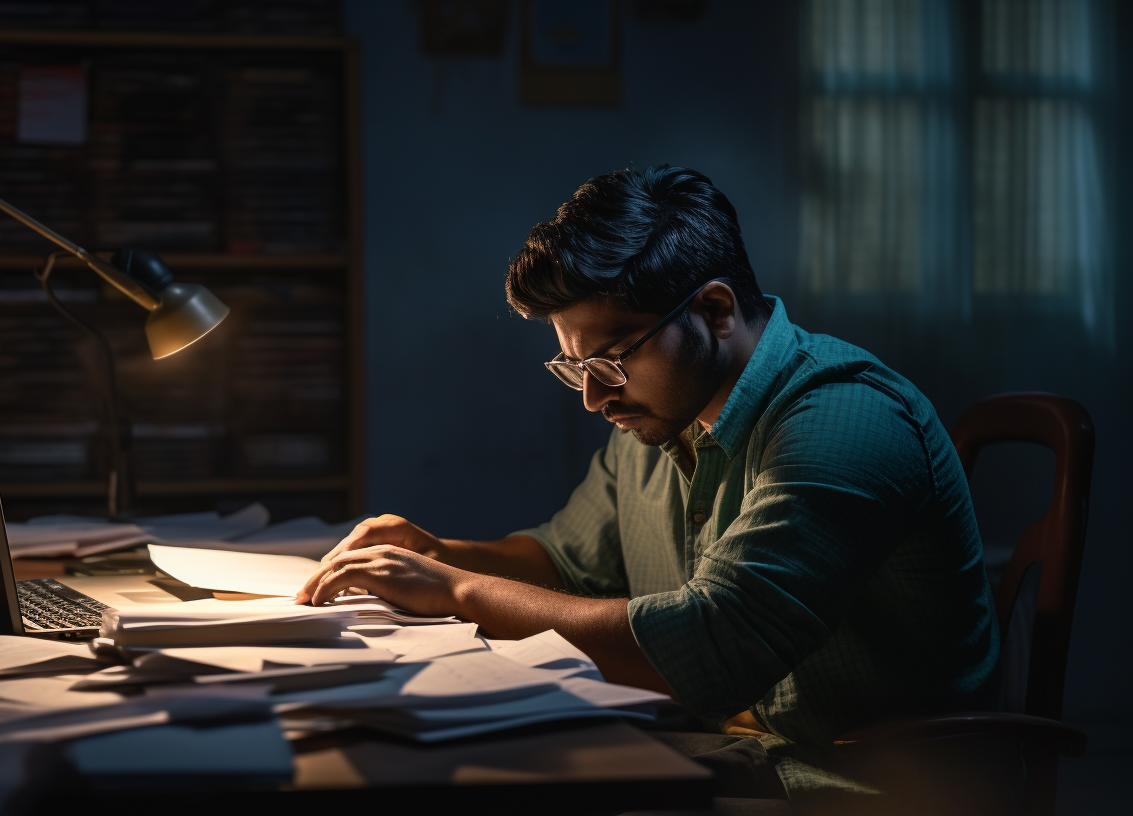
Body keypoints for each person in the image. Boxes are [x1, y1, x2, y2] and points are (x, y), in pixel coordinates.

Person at [294, 166, 1000, 802]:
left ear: (716, 311)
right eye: (576, 368)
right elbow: (569, 561)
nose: (595, 399)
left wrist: (455, 590)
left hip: (868, 784)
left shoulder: (845, 420)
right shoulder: (664, 412)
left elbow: (713, 645)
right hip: (732, 748)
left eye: (611, 360)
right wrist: (438, 554)